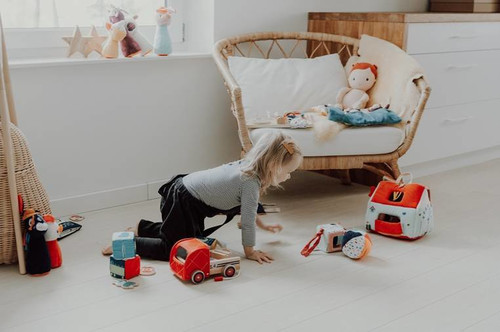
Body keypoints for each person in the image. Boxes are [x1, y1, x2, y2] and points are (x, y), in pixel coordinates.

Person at [102, 131, 302, 264]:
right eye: (289, 171)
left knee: (193, 239)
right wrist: (250, 252)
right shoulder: (250, 182)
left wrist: (264, 226)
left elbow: (247, 209)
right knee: (174, 248)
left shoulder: (248, 169)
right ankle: (125, 244)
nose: (290, 175)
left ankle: (142, 226)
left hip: (189, 197)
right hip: (183, 199)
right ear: (273, 167)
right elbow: (247, 220)